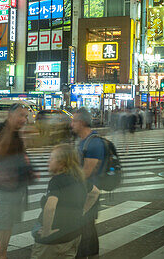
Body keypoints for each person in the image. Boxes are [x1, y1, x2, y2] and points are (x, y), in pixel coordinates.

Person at [31, 144, 100, 259]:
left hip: (53, 240)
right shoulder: (79, 179)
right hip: (73, 235)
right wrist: (82, 211)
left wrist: (47, 232)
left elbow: (50, 207)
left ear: (62, 163)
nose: (48, 161)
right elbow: (95, 193)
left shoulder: (56, 182)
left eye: (52, 158)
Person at [0, 104, 34, 259]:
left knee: (7, 222)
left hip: (16, 185)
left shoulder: (16, 133)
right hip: (5, 186)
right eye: (21, 115)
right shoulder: (1, 130)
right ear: (10, 114)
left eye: (26, 116)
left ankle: (1, 254)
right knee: (2, 223)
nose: (24, 119)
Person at [73, 109, 113, 258]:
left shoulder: (93, 143)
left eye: (74, 121)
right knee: (87, 226)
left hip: (89, 193)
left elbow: (86, 173)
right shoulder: (84, 141)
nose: (71, 124)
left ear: (82, 122)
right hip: (85, 191)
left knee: (85, 227)